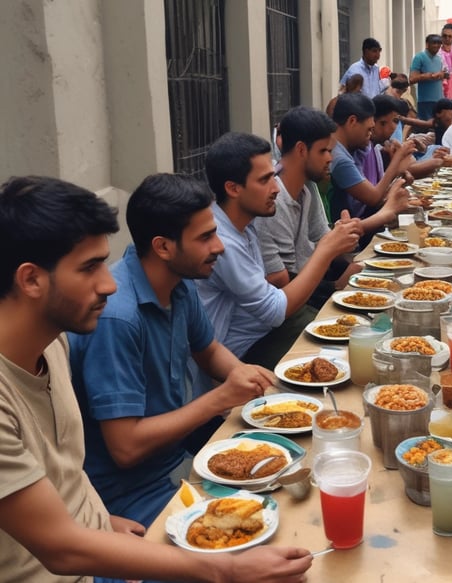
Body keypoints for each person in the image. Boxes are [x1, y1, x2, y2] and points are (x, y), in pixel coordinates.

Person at [0, 175, 313, 582]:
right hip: (86, 553)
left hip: (115, 520)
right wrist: (227, 571)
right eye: (90, 267)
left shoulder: (52, 344)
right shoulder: (111, 321)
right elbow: (61, 548)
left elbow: (66, 476)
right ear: (31, 280)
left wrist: (102, 521)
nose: (108, 283)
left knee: (285, 514)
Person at [68, 173, 278, 527]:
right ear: (163, 246)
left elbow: (208, 349)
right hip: (128, 494)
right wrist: (220, 398)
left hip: (176, 460)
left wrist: (244, 375)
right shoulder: (117, 318)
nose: (220, 246)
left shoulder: (180, 281)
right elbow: (126, 447)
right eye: (206, 237)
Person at [199, 132, 362, 370]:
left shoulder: (246, 222)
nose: (276, 188)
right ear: (233, 188)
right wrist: (326, 251)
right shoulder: (223, 241)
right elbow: (275, 310)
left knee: (356, 334)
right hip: (243, 353)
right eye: (265, 180)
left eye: (274, 177)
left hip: (266, 331)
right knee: (345, 358)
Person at [255, 106, 363, 311]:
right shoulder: (274, 201)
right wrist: (336, 286)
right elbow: (284, 282)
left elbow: (322, 240)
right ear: (301, 149)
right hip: (288, 309)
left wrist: (346, 254)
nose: (330, 158)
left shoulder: (308, 187)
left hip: (312, 291)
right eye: (324, 151)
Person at [327, 92, 412, 248]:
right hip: (350, 231)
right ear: (352, 121)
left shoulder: (351, 149)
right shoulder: (339, 158)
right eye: (368, 130)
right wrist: (398, 158)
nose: (370, 135)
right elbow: (373, 197)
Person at [409, 34, 447, 120]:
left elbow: (440, 76)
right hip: (425, 101)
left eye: (439, 43)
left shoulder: (439, 59)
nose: (437, 45)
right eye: (434, 42)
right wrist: (430, 76)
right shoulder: (419, 57)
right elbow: (411, 79)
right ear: (427, 44)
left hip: (439, 100)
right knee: (425, 130)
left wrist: (443, 75)